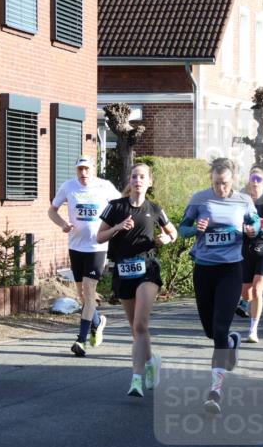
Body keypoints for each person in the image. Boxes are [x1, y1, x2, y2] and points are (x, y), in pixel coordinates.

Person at [179, 157, 261, 414]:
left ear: (233, 180)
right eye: (216, 183)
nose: (221, 189)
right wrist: (195, 229)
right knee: (210, 330)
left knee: (220, 325)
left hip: (231, 269)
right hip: (204, 269)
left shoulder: (243, 200)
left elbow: (257, 224)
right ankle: (230, 343)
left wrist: (251, 230)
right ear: (211, 179)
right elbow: (182, 229)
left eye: (225, 184)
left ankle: (215, 390)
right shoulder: (200, 199)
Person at [96, 163, 177, 397]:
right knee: (136, 329)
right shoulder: (115, 207)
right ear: (130, 181)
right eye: (134, 176)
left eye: (142, 177)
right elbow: (99, 237)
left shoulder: (155, 208)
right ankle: (151, 361)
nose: (138, 180)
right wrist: (118, 227)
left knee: (141, 325)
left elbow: (173, 233)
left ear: (149, 182)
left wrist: (165, 240)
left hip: (148, 268)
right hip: (123, 269)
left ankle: (136, 379)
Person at [49, 155, 120, 356]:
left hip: (97, 247)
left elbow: (120, 206)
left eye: (87, 169)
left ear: (93, 169)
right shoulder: (68, 186)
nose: (83, 173)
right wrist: (63, 224)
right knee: (82, 295)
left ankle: (81, 340)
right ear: (76, 171)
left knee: (89, 291)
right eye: (80, 169)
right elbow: (52, 210)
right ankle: (97, 322)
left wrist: (115, 227)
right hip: (75, 246)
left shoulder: (104, 186)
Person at [235, 168, 263, 343]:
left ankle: (253, 330)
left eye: (259, 179)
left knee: (257, 290)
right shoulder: (242, 202)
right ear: (249, 182)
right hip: (245, 250)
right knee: (246, 293)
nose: (255, 182)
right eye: (252, 179)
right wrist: (244, 228)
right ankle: (247, 303)